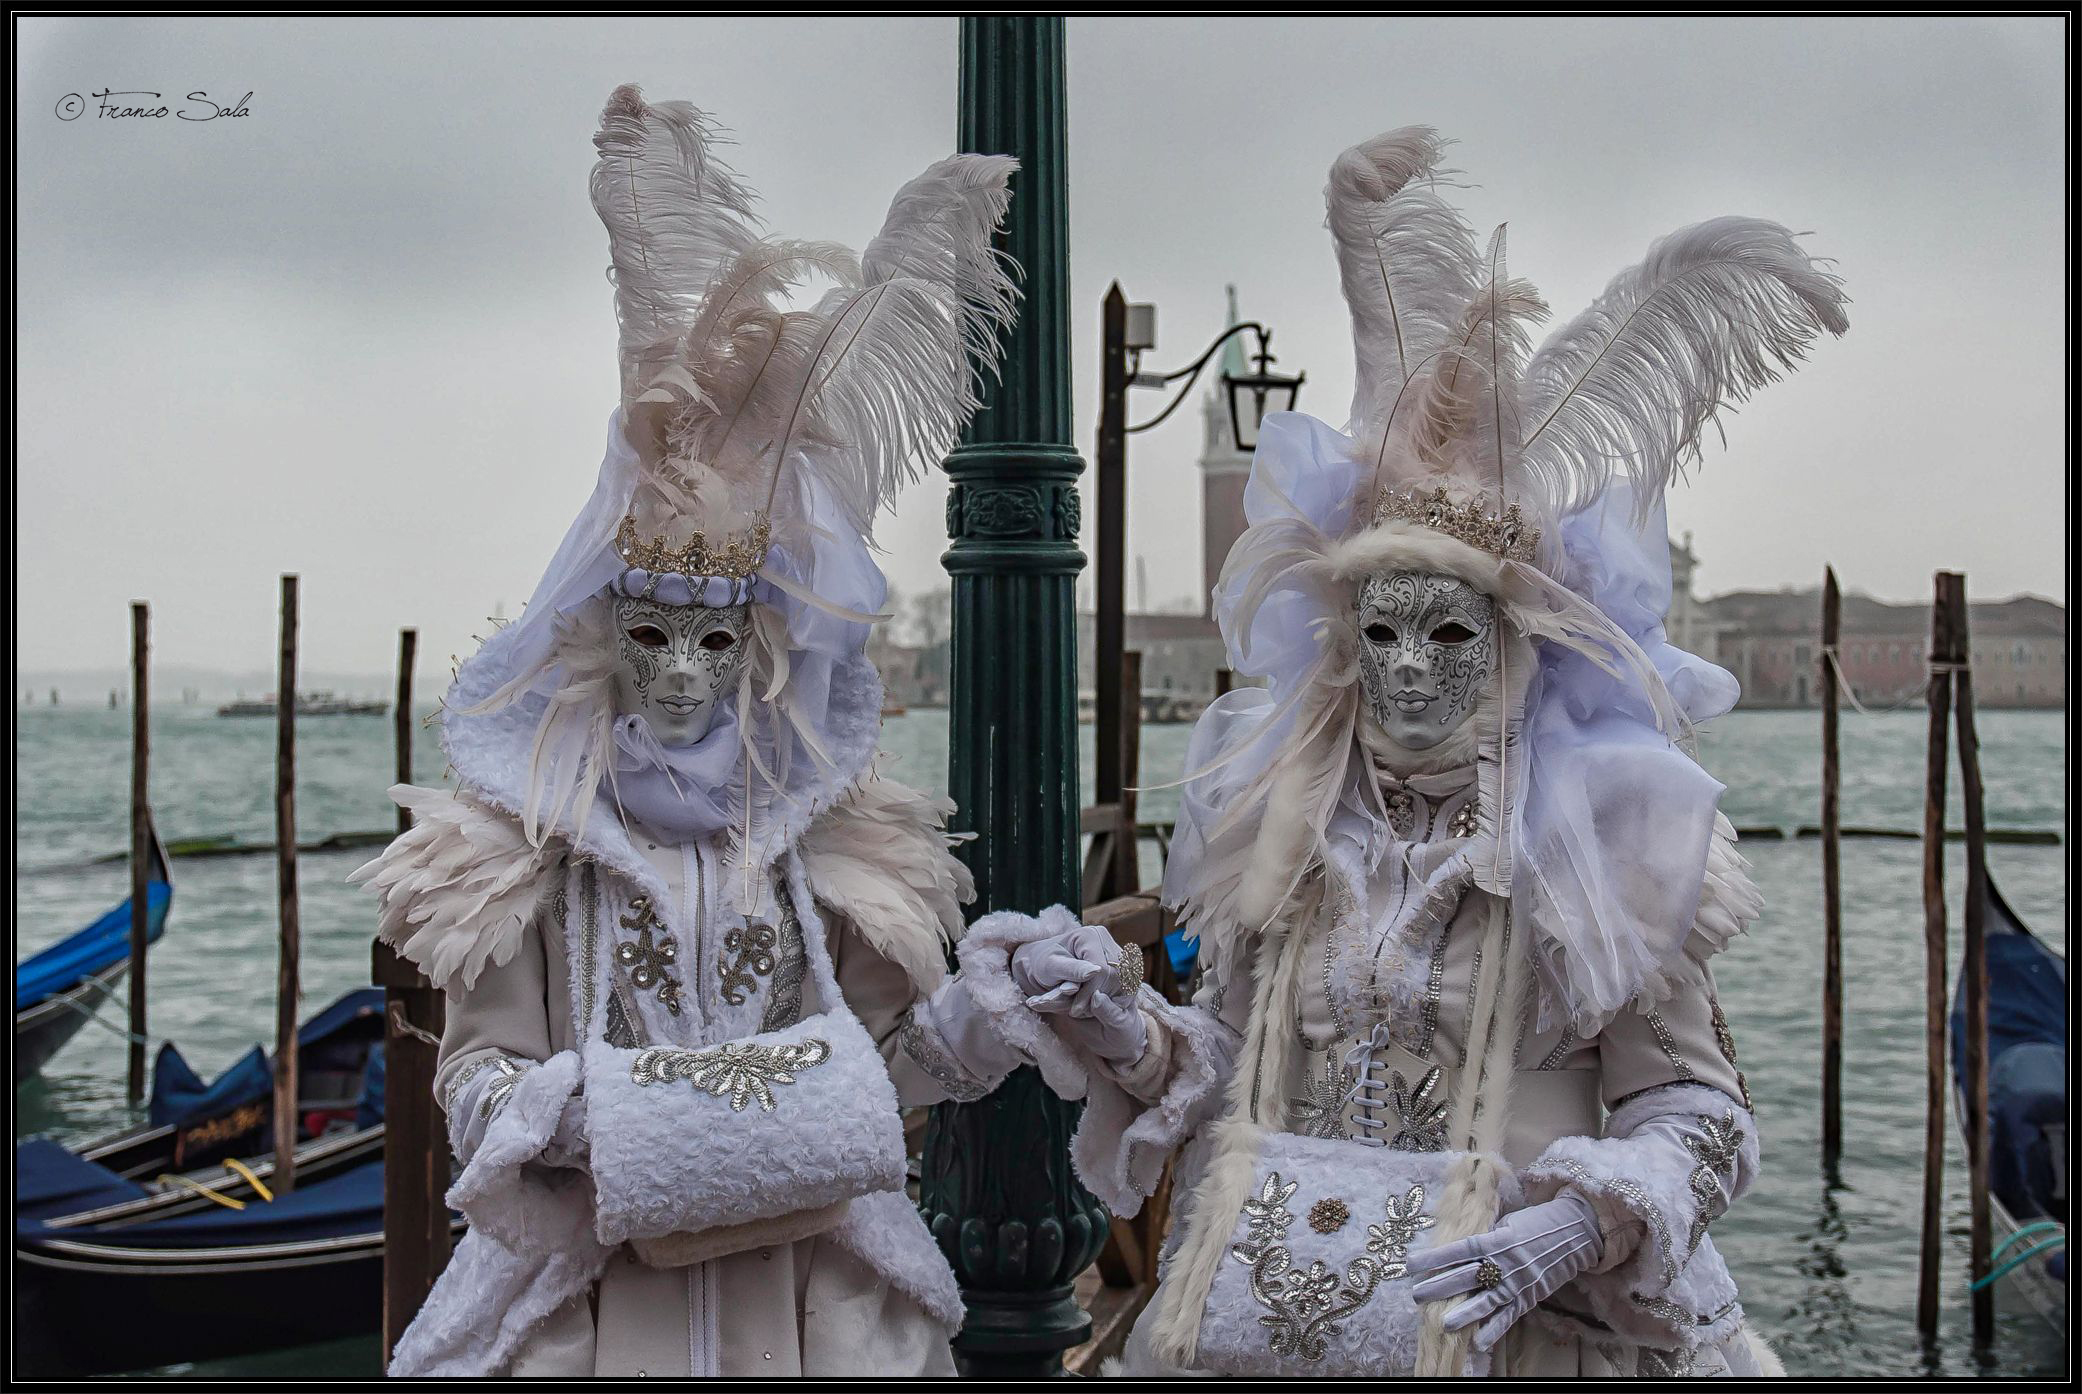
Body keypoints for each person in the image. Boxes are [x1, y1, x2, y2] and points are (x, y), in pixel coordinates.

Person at [962, 127, 1848, 1376]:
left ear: (1518, 638)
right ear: (1340, 640)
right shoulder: (1278, 817)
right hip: (1273, 1319)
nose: (1413, 667)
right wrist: (1116, 1024)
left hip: (1520, 1332)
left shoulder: (1602, 841)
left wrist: (1577, 1224)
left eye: (1450, 629)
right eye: (1380, 630)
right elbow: (1221, 1059)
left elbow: (1701, 1112)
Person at [353, 84, 1038, 1377]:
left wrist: (993, 1011)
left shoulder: (818, 839)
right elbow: (478, 1073)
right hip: (609, 1302)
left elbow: (886, 1073)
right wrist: (576, 1114)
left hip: (807, 1300)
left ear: (754, 650)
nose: (678, 674)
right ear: (603, 637)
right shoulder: (526, 844)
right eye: (651, 637)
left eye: (712, 641)